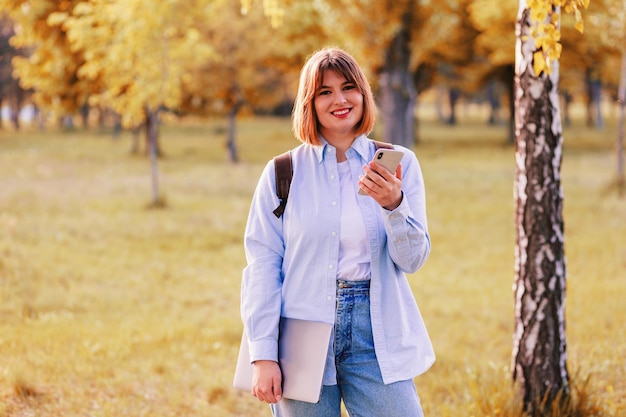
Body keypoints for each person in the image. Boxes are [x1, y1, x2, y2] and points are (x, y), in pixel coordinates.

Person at [240, 46, 435, 417]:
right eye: (325, 92)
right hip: (301, 332)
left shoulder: (399, 164)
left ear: (363, 93)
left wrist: (394, 206)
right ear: (309, 103)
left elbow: (412, 260)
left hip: (376, 329)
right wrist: (262, 353)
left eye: (349, 87)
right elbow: (263, 265)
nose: (340, 100)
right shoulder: (283, 173)